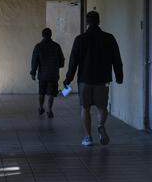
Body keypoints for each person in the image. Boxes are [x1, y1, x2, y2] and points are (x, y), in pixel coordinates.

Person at [63, 10, 123, 146]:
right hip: (103, 80)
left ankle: (88, 137)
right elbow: (117, 59)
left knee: (85, 108)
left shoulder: (80, 39)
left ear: (87, 23)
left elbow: (73, 61)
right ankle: (101, 125)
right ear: (99, 21)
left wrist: (68, 78)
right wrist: (119, 76)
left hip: (85, 79)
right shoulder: (109, 38)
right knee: (102, 107)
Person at [30, 27, 65, 118]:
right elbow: (62, 60)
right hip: (53, 74)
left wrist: (33, 72)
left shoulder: (38, 47)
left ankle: (41, 108)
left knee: (41, 92)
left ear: (42, 35)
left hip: (42, 75)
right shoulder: (56, 46)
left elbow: (34, 61)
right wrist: (58, 66)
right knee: (51, 93)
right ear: (51, 35)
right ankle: (49, 110)